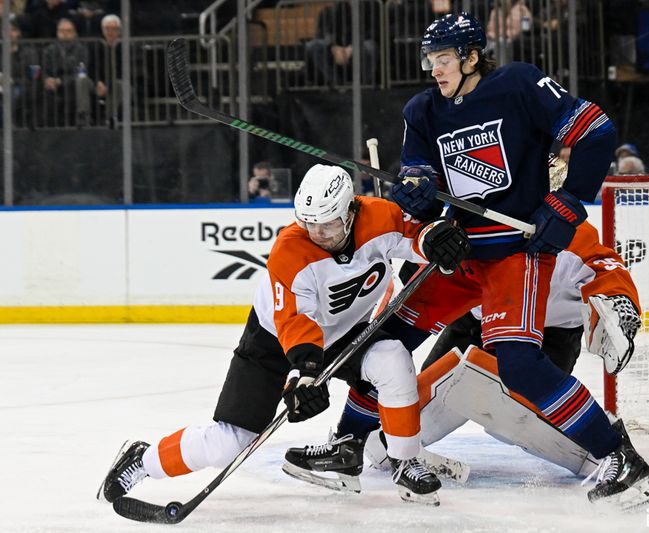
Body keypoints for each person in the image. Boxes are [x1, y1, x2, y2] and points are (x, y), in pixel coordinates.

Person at [381, 12, 649, 506]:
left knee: (521, 369)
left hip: (521, 267)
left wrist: (569, 202)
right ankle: (347, 443)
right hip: (465, 263)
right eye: (429, 60)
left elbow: (595, 130)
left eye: (442, 58)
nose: (434, 69)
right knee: (388, 338)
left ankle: (616, 454)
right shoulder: (424, 110)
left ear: (470, 56)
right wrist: (418, 197)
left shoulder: (518, 84)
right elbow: (419, 181)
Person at [98, 164, 471, 506]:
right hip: (274, 344)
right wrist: (305, 374)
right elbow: (296, 322)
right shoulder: (290, 252)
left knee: (392, 358)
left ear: (350, 212)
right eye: (309, 223)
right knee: (229, 443)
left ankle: (404, 462)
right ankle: (143, 459)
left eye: (327, 223)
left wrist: (433, 240)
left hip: (343, 331)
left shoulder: (379, 216)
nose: (317, 233)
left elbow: (413, 239)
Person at [288, 219, 647, 490]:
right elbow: (427, 262)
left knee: (527, 416)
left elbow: (606, 268)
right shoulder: (474, 222)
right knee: (386, 425)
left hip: (545, 339)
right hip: (471, 327)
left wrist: (618, 303)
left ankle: (608, 444)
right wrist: (418, 253)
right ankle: (348, 441)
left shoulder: (563, 231)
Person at [304, 2, 377, 87]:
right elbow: (321, 34)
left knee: (370, 46)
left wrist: (353, 47)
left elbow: (372, 32)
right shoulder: (326, 12)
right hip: (335, 49)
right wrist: (333, 47)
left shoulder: (369, 8)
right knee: (312, 46)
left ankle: (364, 86)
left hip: (358, 47)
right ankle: (338, 85)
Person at [41, 17, 93, 126]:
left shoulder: (81, 50)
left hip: (74, 83)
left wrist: (61, 81)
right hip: (54, 85)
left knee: (80, 81)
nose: (65, 34)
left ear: (74, 33)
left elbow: (81, 72)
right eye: (61, 31)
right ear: (57, 32)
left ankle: (82, 118)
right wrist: (48, 80)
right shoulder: (49, 50)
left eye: (68, 31)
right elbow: (45, 69)